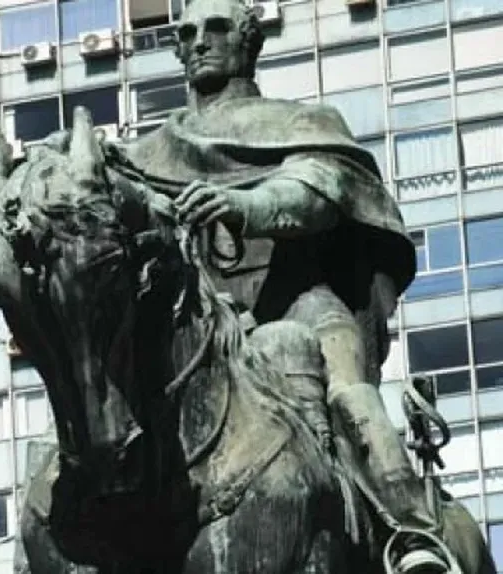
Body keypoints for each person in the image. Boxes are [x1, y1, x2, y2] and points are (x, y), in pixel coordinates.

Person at [35, 0, 460, 572]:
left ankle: (411, 535)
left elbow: (317, 191)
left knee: (348, 392)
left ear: (247, 41)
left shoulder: (301, 122)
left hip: (300, 307)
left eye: (215, 29)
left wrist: (246, 205)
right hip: (198, 322)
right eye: (186, 34)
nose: (199, 42)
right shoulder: (146, 152)